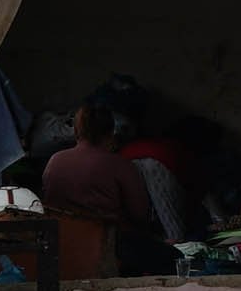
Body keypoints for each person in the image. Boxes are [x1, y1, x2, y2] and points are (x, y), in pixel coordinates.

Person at [43, 104, 175, 275]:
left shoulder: (54, 161)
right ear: (111, 133)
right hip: (108, 245)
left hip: (63, 243)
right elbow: (140, 215)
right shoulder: (119, 165)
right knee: (174, 258)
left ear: (76, 131)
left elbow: (48, 203)